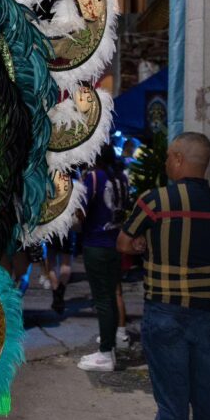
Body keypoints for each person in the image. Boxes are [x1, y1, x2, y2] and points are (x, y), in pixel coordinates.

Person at [117, 131, 210, 420]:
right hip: (209, 315)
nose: (165, 162)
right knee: (208, 399)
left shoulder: (156, 201)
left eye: (168, 157)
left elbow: (124, 243)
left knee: (173, 404)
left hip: (166, 314)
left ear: (179, 159)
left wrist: (145, 245)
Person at [77, 145, 129, 370]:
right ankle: (110, 345)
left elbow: (81, 210)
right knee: (112, 295)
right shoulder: (121, 179)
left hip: (96, 245)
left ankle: (106, 354)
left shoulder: (94, 178)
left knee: (103, 300)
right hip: (115, 244)